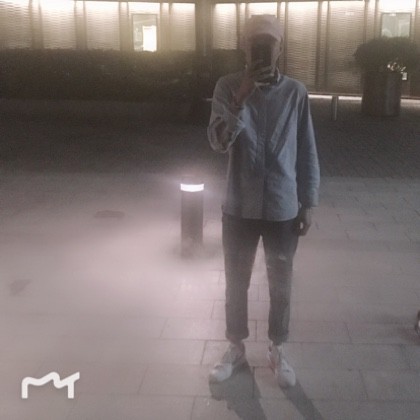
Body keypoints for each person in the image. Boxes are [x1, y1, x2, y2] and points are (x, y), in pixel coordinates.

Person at [207, 14, 320, 388]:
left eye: (269, 44)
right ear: (244, 47)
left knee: (281, 283)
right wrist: (240, 99)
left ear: (280, 48)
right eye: (255, 43)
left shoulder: (295, 93)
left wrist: (308, 201)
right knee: (236, 282)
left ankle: (277, 348)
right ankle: (236, 348)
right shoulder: (227, 87)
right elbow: (217, 142)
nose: (262, 50)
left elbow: (306, 149)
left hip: (282, 207)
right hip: (239, 205)